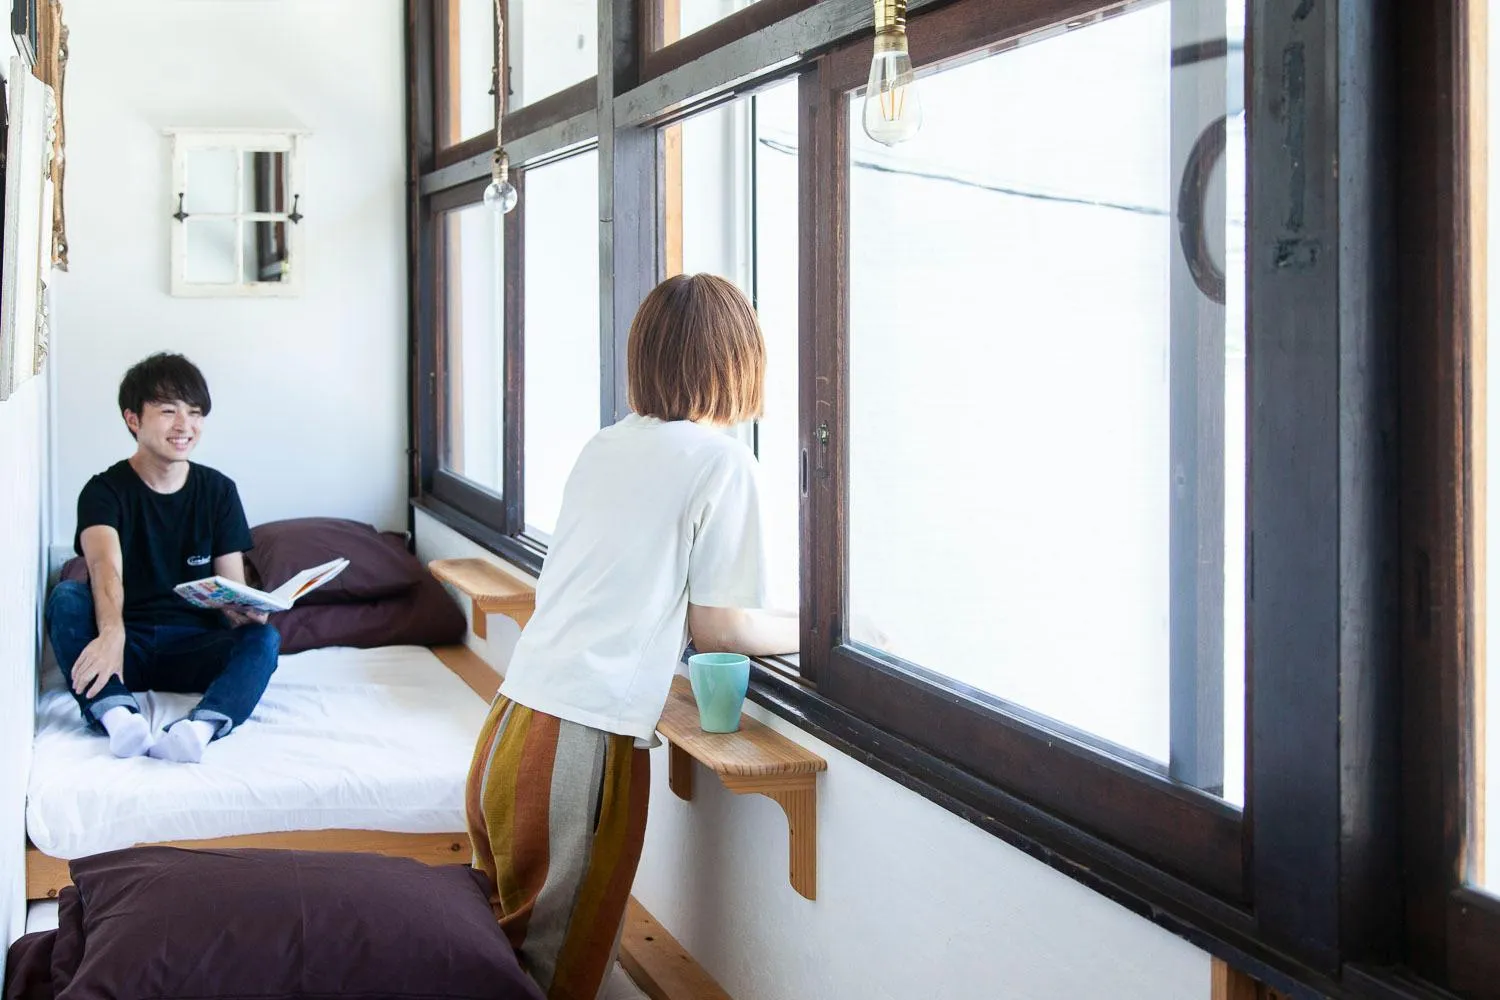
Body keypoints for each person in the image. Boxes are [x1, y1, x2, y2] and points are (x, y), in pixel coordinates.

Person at [466, 274, 798, 999]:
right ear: (738, 358)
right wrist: (829, 629)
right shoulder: (722, 463)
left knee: (503, 960)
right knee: (556, 978)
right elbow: (723, 625)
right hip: (575, 746)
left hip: (511, 724)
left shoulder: (606, 445)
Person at [45, 352, 280, 764]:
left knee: (265, 638)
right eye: (169, 411)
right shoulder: (104, 491)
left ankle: (199, 728)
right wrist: (112, 634)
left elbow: (230, 586)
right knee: (66, 597)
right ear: (133, 419)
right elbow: (104, 567)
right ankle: (118, 717)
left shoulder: (219, 491)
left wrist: (244, 609)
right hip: (124, 647)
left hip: (193, 647)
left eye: (194, 413)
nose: (184, 426)